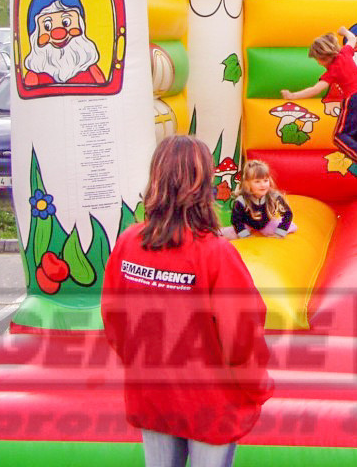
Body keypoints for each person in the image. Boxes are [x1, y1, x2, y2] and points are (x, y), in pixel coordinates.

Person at [101, 136, 272, 467]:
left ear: (156, 179)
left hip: (152, 395)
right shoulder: (215, 254)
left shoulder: (128, 244)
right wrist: (257, 387)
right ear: (204, 185)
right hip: (210, 403)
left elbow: (115, 321)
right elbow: (241, 338)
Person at [281, 27, 357, 168]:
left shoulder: (332, 71)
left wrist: (293, 96)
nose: (318, 63)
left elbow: (315, 90)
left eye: (317, 60)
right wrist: (344, 31)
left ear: (323, 57)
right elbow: (352, 39)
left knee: (339, 136)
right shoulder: (345, 53)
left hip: (354, 99)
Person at [230, 159, 297, 238]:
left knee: (292, 227)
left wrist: (279, 233)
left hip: (267, 225)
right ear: (247, 183)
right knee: (228, 233)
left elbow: (288, 214)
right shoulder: (241, 200)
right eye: (257, 181)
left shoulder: (274, 197)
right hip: (246, 225)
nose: (263, 185)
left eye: (265, 180)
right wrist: (245, 235)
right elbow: (236, 220)